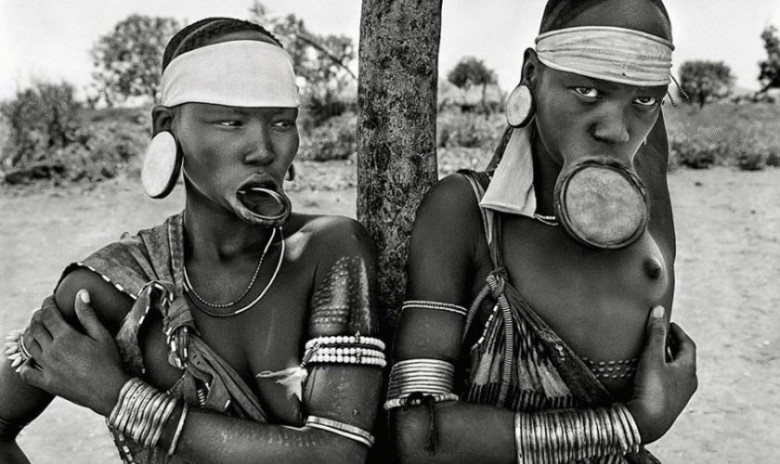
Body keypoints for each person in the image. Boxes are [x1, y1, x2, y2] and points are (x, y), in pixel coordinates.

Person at [0, 17, 384, 464]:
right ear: (167, 125)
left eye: (281, 123)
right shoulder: (110, 287)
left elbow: (338, 453)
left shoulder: (327, 251)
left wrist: (118, 397)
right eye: (231, 122)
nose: (263, 149)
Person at [388, 0, 697, 463]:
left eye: (644, 100)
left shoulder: (645, 170)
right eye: (587, 91)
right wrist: (633, 423)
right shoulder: (466, 213)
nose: (617, 130)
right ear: (531, 72)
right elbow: (418, 436)